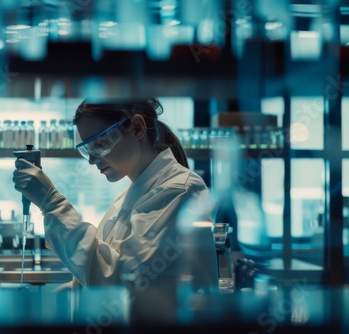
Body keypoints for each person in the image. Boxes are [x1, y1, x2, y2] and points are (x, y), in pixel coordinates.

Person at [13, 98, 216, 290]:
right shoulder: (133, 195)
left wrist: (52, 204)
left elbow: (127, 283)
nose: (92, 160)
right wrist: (73, 292)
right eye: (87, 149)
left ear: (136, 128)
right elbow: (103, 270)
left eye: (99, 144)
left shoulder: (178, 190)